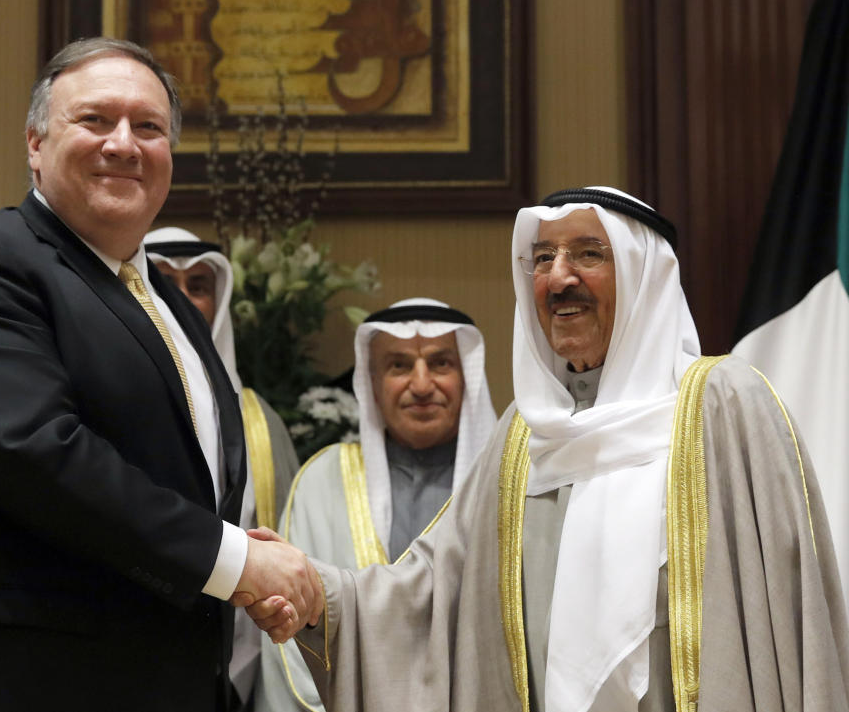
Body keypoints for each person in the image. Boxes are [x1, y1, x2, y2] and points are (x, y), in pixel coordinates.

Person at [246, 187, 849, 712]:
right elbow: (433, 594)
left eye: (588, 253)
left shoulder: (724, 404)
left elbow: (794, 622)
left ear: (643, 277)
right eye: (542, 259)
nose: (559, 278)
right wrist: (317, 593)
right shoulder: (524, 436)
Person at [0, 37, 319, 712]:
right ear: (35, 143)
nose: (124, 143)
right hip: (14, 684)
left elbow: (175, 481)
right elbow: (25, 450)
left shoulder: (173, 306)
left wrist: (245, 568)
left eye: (148, 127)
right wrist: (230, 559)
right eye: (95, 120)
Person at [253, 297, 496, 712]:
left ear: (467, 376)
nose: (421, 386)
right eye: (399, 366)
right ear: (372, 383)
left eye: (440, 364)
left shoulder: (503, 482)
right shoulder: (322, 479)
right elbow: (288, 634)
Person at [144, 227, 300, 709]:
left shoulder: (257, 419)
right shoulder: (116, 401)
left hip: (237, 665)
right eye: (165, 282)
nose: (184, 299)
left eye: (198, 285)